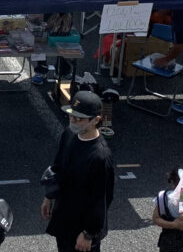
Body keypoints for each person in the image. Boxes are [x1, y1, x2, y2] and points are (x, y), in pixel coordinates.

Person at [41, 91, 115, 252]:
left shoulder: (100, 157)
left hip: (83, 227)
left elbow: (102, 199)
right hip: (64, 218)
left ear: (96, 120)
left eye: (79, 119)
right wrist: (49, 196)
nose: (73, 121)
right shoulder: (69, 134)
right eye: (71, 116)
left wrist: (89, 234)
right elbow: (58, 165)